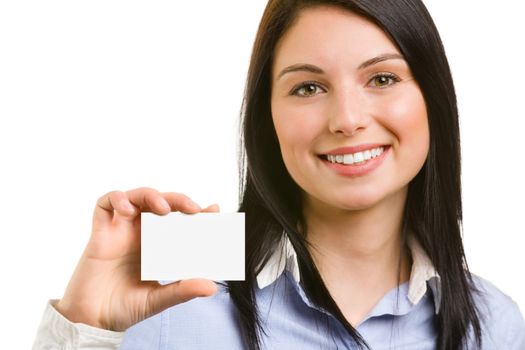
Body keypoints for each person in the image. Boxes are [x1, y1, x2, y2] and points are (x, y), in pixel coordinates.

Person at [33, 0, 525, 349]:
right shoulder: (172, 292)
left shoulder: (493, 326)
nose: (347, 119)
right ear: (266, 117)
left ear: (432, 99)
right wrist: (85, 327)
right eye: (308, 88)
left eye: (382, 78)